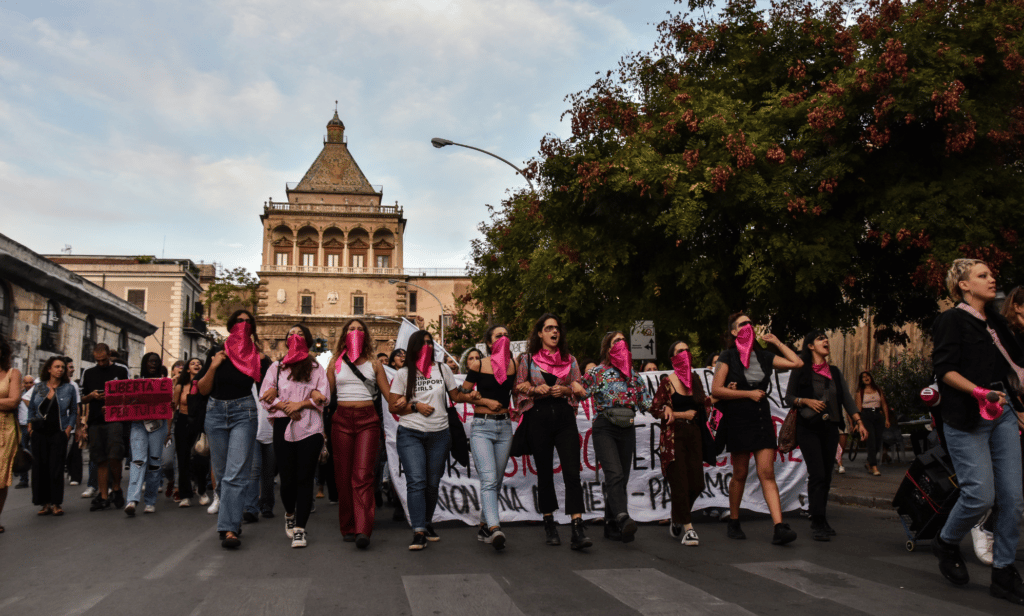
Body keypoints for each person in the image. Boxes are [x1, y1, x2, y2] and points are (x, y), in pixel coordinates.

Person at [930, 259, 1024, 603]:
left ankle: (1003, 571)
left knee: (1013, 499)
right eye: (982, 275)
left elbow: (1015, 368)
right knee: (980, 495)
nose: (992, 278)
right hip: (967, 417)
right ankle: (946, 540)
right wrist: (979, 392)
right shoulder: (951, 319)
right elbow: (945, 372)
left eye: (991, 274)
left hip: (1003, 414)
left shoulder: (996, 323)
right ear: (964, 285)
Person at [711, 312, 803, 545]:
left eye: (750, 323)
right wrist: (747, 393)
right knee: (740, 473)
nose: (748, 327)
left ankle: (779, 527)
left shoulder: (763, 356)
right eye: (742, 324)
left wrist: (776, 342)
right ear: (733, 332)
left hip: (761, 417)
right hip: (739, 418)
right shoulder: (728, 356)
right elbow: (716, 390)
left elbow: (797, 362)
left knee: (767, 473)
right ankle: (734, 520)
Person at [390, 329, 477, 550]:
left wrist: (472, 396)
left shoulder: (442, 369)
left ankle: (427, 523)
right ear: (414, 348)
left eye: (430, 343)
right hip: (411, 433)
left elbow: (455, 396)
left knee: (432, 483)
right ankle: (418, 530)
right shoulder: (403, 374)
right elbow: (393, 406)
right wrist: (414, 405)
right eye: (422, 344)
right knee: (417, 481)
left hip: (440, 434)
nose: (427, 347)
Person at [513, 313, 592, 550]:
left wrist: (567, 391)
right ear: (539, 333)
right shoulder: (527, 360)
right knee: (545, 473)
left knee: (572, 472)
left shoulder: (571, 360)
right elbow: (518, 388)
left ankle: (577, 527)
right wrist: (536, 389)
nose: (554, 332)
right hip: (539, 418)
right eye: (548, 328)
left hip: (565, 418)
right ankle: (549, 523)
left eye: (556, 328)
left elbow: (580, 391)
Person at [197, 310, 271, 549]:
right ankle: (231, 520)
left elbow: (271, 386)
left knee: (236, 473)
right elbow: (202, 388)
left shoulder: (258, 357)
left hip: (244, 413)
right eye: (239, 321)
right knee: (221, 475)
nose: (244, 324)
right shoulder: (217, 353)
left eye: (248, 321)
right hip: (215, 413)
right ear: (231, 326)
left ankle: (229, 528)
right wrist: (213, 366)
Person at [785, 331, 868, 541]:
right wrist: (805, 401)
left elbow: (847, 399)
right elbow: (789, 397)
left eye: (826, 338)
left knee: (827, 476)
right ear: (810, 346)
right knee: (818, 475)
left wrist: (858, 421)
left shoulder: (834, 371)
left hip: (830, 428)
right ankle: (817, 521)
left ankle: (821, 517)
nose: (826, 341)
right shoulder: (801, 370)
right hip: (808, 428)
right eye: (821, 338)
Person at [259, 324, 330, 548]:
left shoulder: (316, 368)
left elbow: (323, 396)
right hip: (283, 425)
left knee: (304, 477)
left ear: (307, 340)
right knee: (287, 479)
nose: (295, 336)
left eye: (300, 334)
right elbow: (265, 394)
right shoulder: (277, 368)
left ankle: (300, 528)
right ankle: (289, 513)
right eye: (291, 333)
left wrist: (301, 403)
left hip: (311, 427)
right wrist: (285, 407)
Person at [579, 331, 652, 543]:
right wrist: (570, 386)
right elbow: (581, 391)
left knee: (622, 478)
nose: (621, 344)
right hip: (605, 427)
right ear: (608, 349)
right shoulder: (597, 373)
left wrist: (666, 408)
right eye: (615, 341)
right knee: (615, 474)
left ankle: (610, 524)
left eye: (623, 341)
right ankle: (622, 517)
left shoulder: (634, 376)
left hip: (627, 428)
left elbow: (646, 404)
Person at [325, 318, 391, 549]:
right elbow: (325, 395)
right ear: (344, 335)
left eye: (360, 329)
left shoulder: (374, 364)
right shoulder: (335, 363)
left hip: (367, 421)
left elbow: (390, 398)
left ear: (366, 336)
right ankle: (348, 526)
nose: (355, 332)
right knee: (343, 476)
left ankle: (363, 529)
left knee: (362, 475)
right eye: (351, 329)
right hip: (341, 420)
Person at [652, 341, 711, 546]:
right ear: (672, 358)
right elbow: (655, 409)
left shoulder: (695, 379)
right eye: (680, 351)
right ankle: (688, 528)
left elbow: (702, 404)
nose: (685, 354)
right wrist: (677, 413)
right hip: (673, 436)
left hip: (694, 434)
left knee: (697, 484)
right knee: (680, 482)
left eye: (687, 350)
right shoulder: (667, 381)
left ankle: (677, 515)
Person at [463, 325, 517, 550]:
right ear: (488, 343)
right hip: (482, 427)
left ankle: (485, 525)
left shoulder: (514, 365)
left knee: (496, 480)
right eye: (498, 336)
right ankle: (495, 528)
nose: (503, 338)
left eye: (506, 335)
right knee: (488, 479)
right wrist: (482, 400)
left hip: (504, 427)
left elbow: (516, 392)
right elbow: (461, 393)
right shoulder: (478, 365)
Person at [81, 343, 130, 512]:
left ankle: (116, 487)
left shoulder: (121, 371)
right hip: (95, 420)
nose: (101, 363)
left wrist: (112, 402)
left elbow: (129, 395)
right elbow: (82, 398)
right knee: (99, 458)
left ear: (109, 355)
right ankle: (103, 496)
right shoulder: (88, 373)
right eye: (97, 360)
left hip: (115, 419)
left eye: (103, 360)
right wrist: (92, 396)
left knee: (115, 455)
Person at [27, 356, 77, 516]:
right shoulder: (40, 387)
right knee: (40, 468)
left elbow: (74, 411)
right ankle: (44, 503)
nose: (60, 369)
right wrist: (30, 427)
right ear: (49, 369)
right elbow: (32, 408)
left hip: (58, 433)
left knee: (55, 468)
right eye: (57, 366)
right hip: (39, 433)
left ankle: (56, 504)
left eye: (62, 367)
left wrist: (68, 429)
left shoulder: (68, 388)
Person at [124, 353, 170, 516]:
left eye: (156, 362)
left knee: (154, 462)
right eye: (150, 361)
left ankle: (150, 501)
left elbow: (169, 407)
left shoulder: (165, 384)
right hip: (138, 425)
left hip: (158, 425)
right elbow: (127, 403)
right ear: (144, 363)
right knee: (137, 460)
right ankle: (132, 500)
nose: (153, 364)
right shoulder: (135, 383)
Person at [173, 358, 203, 508]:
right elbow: (173, 409)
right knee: (183, 458)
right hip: (183, 422)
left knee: (200, 457)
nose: (196, 365)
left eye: (199, 363)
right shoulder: (180, 387)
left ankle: (201, 489)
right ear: (187, 369)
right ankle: (185, 495)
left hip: (199, 423)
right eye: (192, 363)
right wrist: (167, 431)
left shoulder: (204, 385)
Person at [0, 337, 23, 533]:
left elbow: (14, 401)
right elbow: (6, 401)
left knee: (1, 477)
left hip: (5, 430)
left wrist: (7, 402)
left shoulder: (12, 373)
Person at [855, 371, 892, 476]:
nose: (866, 378)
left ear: (871, 378)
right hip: (866, 416)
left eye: (868, 376)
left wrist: (887, 419)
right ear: (861, 380)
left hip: (877, 415)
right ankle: (874, 466)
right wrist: (858, 424)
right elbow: (858, 409)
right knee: (871, 440)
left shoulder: (878, 390)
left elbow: (884, 405)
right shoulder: (860, 393)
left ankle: (869, 462)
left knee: (878, 441)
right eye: (863, 377)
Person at [63, 357, 83, 487]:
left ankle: (75, 475)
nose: (73, 369)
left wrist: (79, 427)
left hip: (72, 425)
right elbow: (27, 398)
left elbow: (77, 407)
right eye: (70, 367)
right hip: (57, 426)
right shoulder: (47, 383)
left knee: (75, 451)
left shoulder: (73, 385)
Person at [15, 374, 33, 489]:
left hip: (34, 427)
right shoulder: (18, 395)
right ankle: (23, 479)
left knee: (36, 453)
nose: (28, 385)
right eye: (26, 383)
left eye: (30, 382)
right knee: (22, 453)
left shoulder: (37, 394)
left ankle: (38, 479)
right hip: (22, 427)